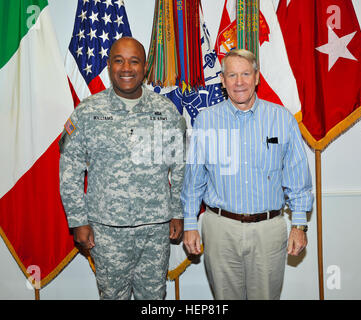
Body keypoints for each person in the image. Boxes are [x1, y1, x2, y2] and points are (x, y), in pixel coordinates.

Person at [59, 37, 186, 300]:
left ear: (145, 67)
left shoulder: (166, 111)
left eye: (134, 61)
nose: (126, 68)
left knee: (154, 297)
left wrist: (177, 211)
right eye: (119, 60)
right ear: (109, 66)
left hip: (155, 228)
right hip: (107, 230)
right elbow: (70, 172)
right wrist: (78, 221)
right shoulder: (87, 112)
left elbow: (181, 166)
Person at [181, 49, 314, 300]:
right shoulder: (206, 121)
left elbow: (298, 178)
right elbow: (194, 180)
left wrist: (299, 225)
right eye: (232, 75)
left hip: (268, 230)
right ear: (222, 80)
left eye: (245, 74)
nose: (239, 82)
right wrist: (189, 224)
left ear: (257, 77)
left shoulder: (282, 119)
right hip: (220, 229)